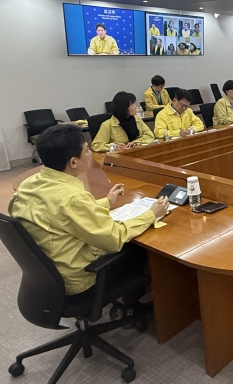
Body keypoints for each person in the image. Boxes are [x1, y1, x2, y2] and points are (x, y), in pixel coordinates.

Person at [9, 124, 169, 298]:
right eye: (86, 150)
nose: (91, 152)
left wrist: (106, 202)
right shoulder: (73, 198)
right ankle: (135, 303)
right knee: (137, 249)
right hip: (79, 281)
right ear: (73, 162)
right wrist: (151, 214)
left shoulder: (28, 185)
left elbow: (62, 213)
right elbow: (114, 238)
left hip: (51, 273)